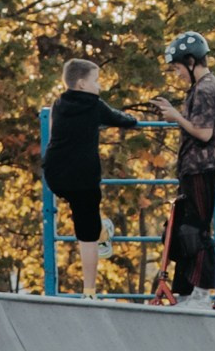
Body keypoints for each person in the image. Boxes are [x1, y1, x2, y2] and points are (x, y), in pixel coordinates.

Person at [40, 58, 163, 296]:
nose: (100, 87)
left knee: (81, 211)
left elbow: (55, 131)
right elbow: (123, 120)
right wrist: (134, 120)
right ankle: (89, 289)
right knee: (87, 234)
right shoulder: (94, 105)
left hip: (55, 174)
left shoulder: (57, 104)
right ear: (83, 84)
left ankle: (100, 229)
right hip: (84, 177)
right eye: (97, 81)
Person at [152, 30, 215, 308]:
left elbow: (205, 133)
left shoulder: (208, 88)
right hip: (192, 168)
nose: (178, 74)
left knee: (194, 230)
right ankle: (184, 291)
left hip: (202, 167)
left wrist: (175, 116)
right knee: (178, 229)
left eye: (178, 68)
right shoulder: (200, 87)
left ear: (191, 61)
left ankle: (201, 293)